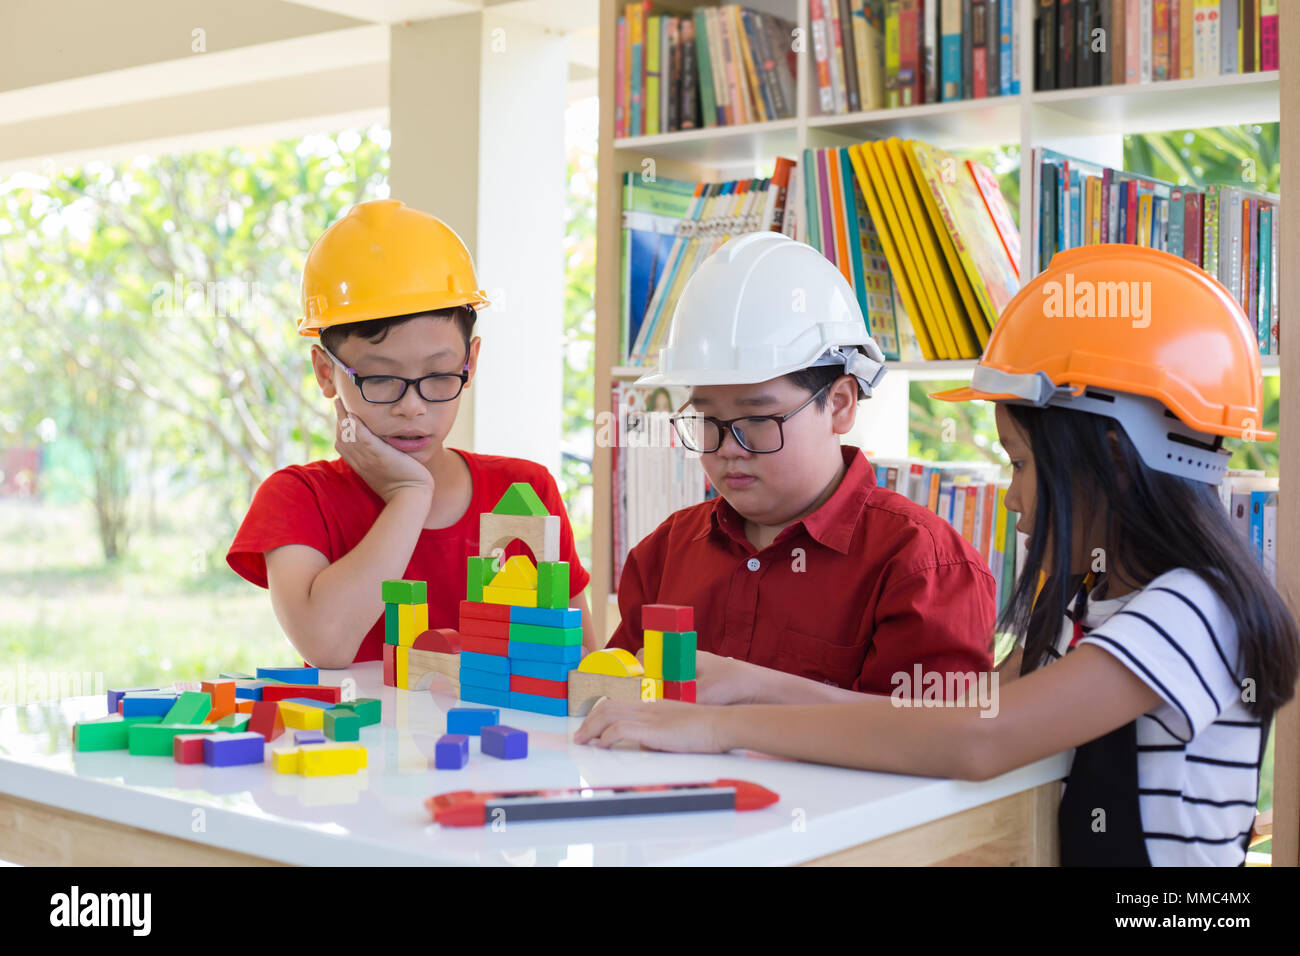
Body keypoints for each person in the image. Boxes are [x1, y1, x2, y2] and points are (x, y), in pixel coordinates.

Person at [577, 243, 1298, 866]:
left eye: (1018, 464)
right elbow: (937, 716)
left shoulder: (1191, 611)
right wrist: (755, 685)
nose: (1013, 500)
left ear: (1108, 459)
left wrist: (719, 724)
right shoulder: (1096, 609)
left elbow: (979, 740)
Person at [607, 231, 997, 700]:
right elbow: (617, 706)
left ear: (839, 405)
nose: (729, 448)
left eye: (757, 419)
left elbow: (937, 745)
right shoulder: (663, 554)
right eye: (708, 420)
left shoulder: (922, 567)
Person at [227, 199, 592, 667]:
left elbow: (580, 658)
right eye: (380, 379)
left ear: (470, 362)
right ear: (325, 372)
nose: (412, 407)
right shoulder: (297, 499)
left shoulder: (525, 489)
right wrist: (409, 495)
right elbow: (326, 645)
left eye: (439, 376)